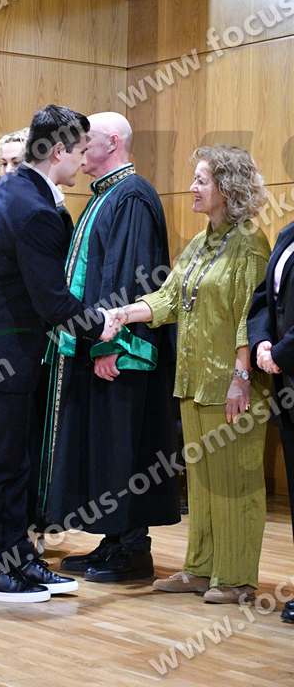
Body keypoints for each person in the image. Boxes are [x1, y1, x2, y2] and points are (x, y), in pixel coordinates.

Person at [0, 104, 123, 603]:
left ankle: (16, 558)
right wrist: (102, 324)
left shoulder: (11, 192)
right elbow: (52, 302)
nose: (83, 160)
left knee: (14, 464)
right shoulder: (35, 208)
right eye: (80, 150)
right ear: (59, 151)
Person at [120, 145, 270, 604]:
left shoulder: (250, 243)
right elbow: (168, 299)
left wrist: (241, 377)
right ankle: (201, 569)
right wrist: (123, 314)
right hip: (194, 381)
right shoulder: (200, 242)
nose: (192, 188)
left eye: (201, 180)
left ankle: (237, 578)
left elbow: (252, 315)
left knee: (235, 483)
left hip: (233, 385)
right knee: (203, 484)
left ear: (227, 188)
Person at [36, 112, 180, 583]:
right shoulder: (106, 195)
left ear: (113, 142)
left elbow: (129, 274)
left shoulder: (132, 195)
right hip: (99, 345)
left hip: (121, 351)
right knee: (106, 449)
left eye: (87, 139)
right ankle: (114, 541)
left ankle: (132, 548)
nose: (79, 147)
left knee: (123, 448)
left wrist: (109, 346)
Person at [248, 220, 294, 623]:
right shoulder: (287, 234)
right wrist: (262, 342)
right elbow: (264, 298)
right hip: (286, 381)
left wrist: (281, 352)